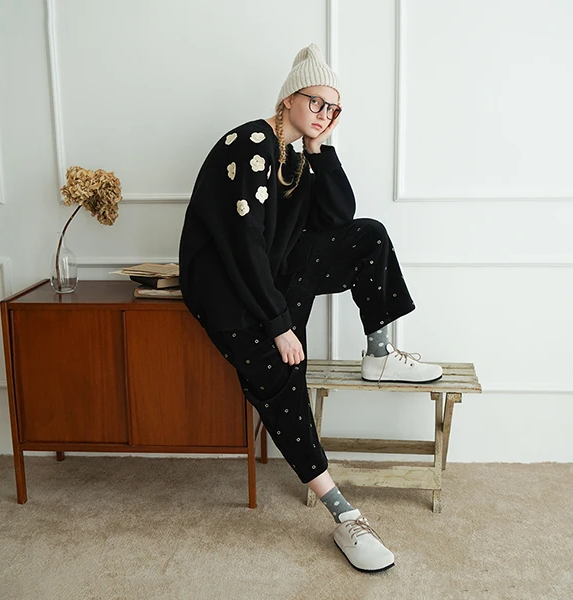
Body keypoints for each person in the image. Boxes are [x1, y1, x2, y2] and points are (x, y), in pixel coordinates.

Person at [178, 43, 443, 573]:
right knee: (283, 373)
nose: (324, 113)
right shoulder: (251, 142)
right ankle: (345, 514)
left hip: (272, 273)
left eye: (333, 108)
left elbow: (339, 216)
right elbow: (244, 246)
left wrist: (320, 147)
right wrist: (279, 324)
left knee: (368, 235)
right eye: (315, 102)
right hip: (227, 287)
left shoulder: (295, 159)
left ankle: (378, 353)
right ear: (288, 99)